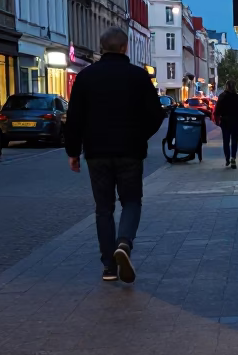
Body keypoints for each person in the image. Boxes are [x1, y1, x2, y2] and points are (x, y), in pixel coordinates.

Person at [64, 25, 164, 283]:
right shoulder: (139, 77)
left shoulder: (85, 77)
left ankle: (108, 266)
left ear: (101, 47)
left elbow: (74, 119)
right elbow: (156, 115)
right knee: (131, 201)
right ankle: (124, 243)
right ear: (124, 47)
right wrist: (139, 135)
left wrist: (73, 151)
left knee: (103, 208)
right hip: (130, 151)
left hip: (97, 153)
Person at [213, 80, 238, 168]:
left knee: (226, 140)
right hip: (236, 121)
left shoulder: (222, 97)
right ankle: (233, 158)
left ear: (226, 86)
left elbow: (217, 111)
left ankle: (227, 158)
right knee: (234, 140)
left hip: (225, 121)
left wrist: (217, 120)